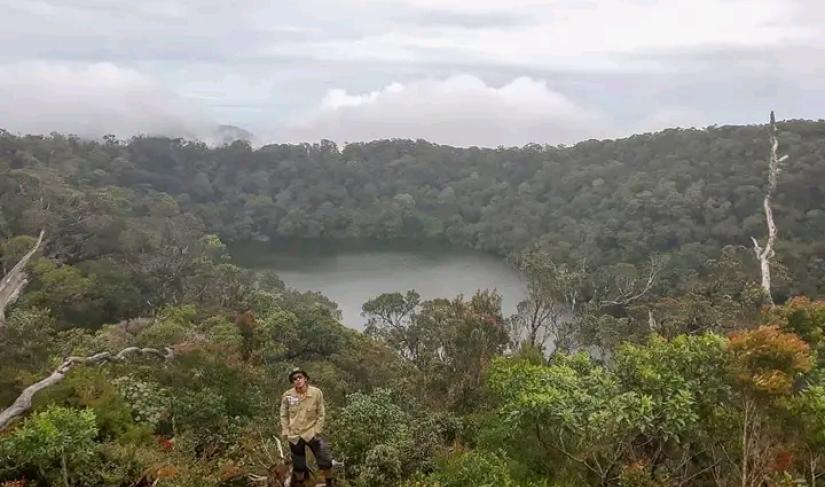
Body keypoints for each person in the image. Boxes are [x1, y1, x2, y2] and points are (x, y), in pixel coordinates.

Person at [280, 367, 334, 486]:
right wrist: (286, 431)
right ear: (292, 382)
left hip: (312, 432)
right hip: (295, 435)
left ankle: (329, 483)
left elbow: (321, 413)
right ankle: (300, 484)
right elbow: (283, 414)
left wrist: (317, 430)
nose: (297, 380)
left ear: (305, 379)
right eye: (294, 379)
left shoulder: (316, 393)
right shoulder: (288, 396)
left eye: (300, 377)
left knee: (325, 460)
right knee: (298, 465)